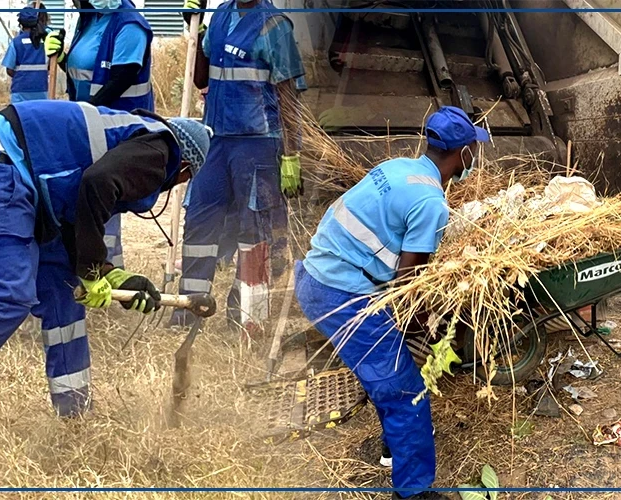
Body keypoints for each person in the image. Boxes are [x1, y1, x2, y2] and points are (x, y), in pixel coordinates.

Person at [0, 100, 212, 466]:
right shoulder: (162, 150)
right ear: (186, 168)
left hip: (20, 174)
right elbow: (97, 185)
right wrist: (91, 269)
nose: (176, 184)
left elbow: (78, 208)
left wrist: (108, 273)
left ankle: (75, 419)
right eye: (185, 180)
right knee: (11, 298)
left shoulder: (132, 138)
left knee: (63, 295)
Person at [295, 106, 488, 500]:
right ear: (464, 152)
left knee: (389, 372)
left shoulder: (398, 167)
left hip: (315, 275)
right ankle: (413, 492)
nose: (476, 156)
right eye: (475, 148)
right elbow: (408, 282)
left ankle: (392, 449)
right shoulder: (431, 202)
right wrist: (429, 327)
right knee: (405, 391)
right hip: (342, 293)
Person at [171, 0, 306, 339]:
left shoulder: (274, 26)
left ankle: (247, 318)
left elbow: (289, 96)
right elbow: (201, 78)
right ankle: (189, 309)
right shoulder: (220, 16)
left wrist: (292, 154)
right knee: (199, 221)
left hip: (258, 143)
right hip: (216, 139)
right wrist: (195, 29)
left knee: (254, 230)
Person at [44, 0, 154, 269]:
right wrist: (62, 59)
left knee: (102, 200)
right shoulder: (89, 18)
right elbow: (86, 72)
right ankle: (103, 268)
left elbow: (120, 79)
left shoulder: (130, 25)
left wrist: (80, 117)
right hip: (89, 128)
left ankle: (104, 270)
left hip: (117, 130)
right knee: (87, 200)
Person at [1, 6, 49, 104]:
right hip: (41, 88)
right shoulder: (45, 41)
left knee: (19, 113)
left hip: (20, 89)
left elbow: (9, 69)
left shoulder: (16, 42)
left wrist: (22, 76)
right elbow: (49, 66)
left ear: (20, 23)